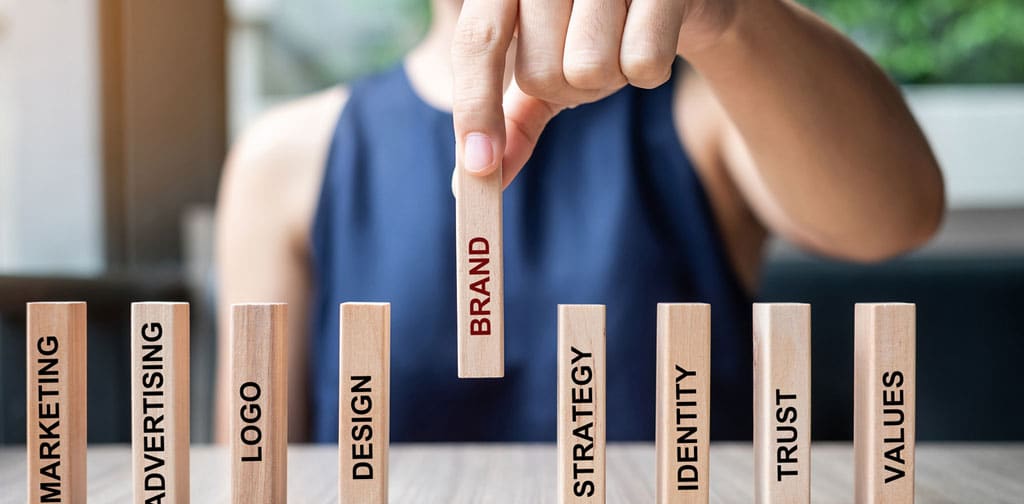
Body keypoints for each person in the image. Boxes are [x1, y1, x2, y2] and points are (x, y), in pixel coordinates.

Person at [215, 0, 944, 443]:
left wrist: (731, 20)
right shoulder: (287, 157)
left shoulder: (706, 107)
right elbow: (253, 488)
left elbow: (893, 219)